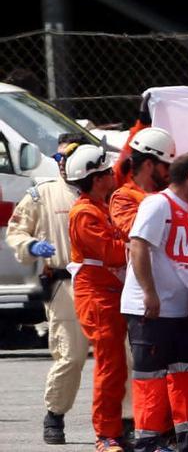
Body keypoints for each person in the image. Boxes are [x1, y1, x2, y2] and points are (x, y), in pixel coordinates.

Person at [120, 153, 188, 452]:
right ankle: (147, 441)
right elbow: (138, 244)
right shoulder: (158, 204)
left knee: (184, 374)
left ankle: (187, 440)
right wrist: (149, 292)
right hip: (151, 309)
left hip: (179, 310)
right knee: (150, 379)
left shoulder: (187, 212)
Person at [5, 134, 89, 445]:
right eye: (58, 159)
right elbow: (16, 231)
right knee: (71, 355)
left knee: (121, 355)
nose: (64, 163)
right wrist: (30, 245)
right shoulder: (43, 195)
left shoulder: (105, 192)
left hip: (104, 284)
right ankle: (55, 413)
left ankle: (126, 419)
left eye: (70, 156)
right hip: (64, 284)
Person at [66, 144, 130, 452]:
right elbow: (113, 253)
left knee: (118, 365)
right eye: (106, 172)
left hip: (109, 292)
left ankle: (116, 429)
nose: (112, 175)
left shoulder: (99, 207)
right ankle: (105, 435)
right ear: (95, 179)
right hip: (97, 296)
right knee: (110, 365)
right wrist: (141, 245)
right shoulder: (85, 214)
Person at [110, 127, 176, 238]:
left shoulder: (170, 193)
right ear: (149, 165)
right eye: (166, 166)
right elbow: (138, 232)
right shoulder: (122, 198)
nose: (169, 172)